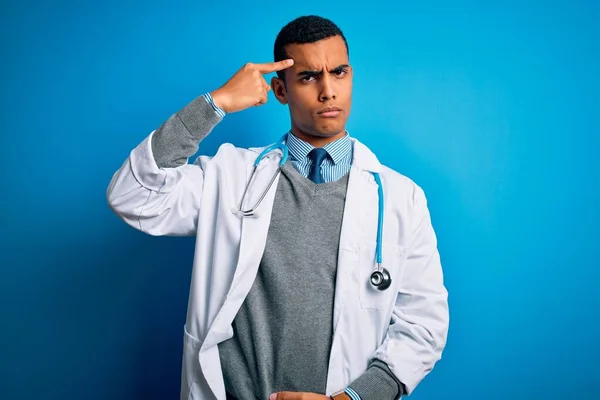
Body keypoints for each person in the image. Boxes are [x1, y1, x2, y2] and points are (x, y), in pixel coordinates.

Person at [107, 15, 449, 400]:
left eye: (338, 72)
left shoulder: (402, 197)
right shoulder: (231, 175)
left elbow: (423, 326)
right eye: (307, 77)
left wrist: (353, 399)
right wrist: (214, 104)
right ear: (280, 91)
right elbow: (132, 195)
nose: (328, 91)